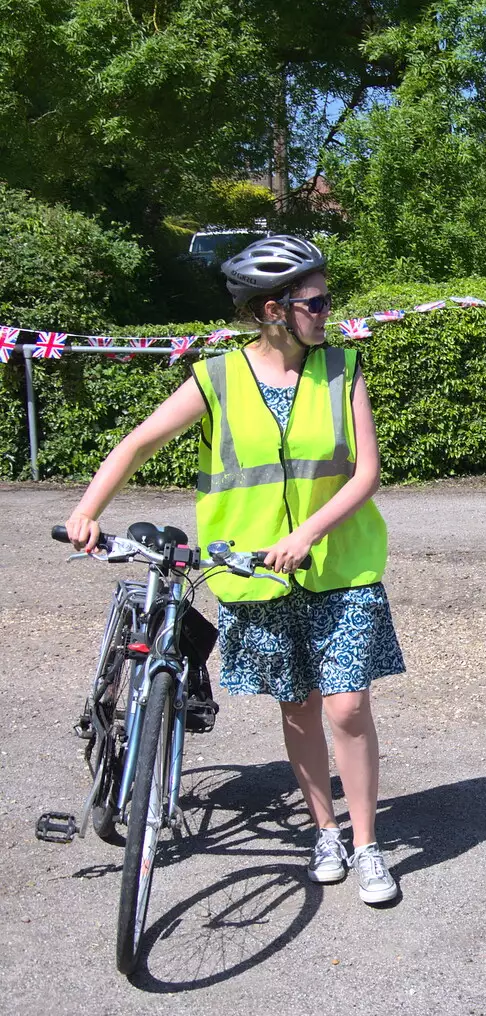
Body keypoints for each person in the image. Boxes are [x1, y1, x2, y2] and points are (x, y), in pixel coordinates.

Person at [62, 235, 405, 904]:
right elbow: (138, 442)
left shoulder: (344, 368)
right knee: (299, 707)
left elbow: (367, 470)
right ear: (274, 309)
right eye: (317, 300)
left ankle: (367, 843)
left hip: (343, 564)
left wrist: (307, 532)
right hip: (253, 573)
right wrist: (86, 510)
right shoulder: (216, 377)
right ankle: (325, 830)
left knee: (347, 706)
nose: (327, 310)